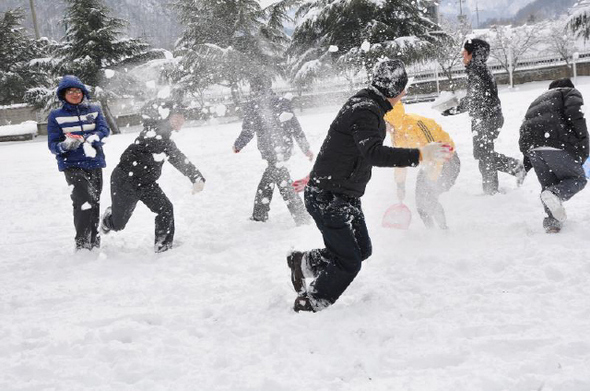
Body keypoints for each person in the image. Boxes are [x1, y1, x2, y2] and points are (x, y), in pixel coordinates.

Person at [287, 59, 452, 312]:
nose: (405, 93)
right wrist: (420, 154)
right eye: (403, 89)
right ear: (395, 90)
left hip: (342, 194)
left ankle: (304, 263)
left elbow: (339, 148)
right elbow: (373, 154)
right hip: (328, 197)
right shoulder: (365, 110)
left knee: (361, 250)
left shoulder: (367, 106)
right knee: (349, 262)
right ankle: (310, 303)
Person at [100, 100, 206, 252]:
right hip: (125, 181)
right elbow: (176, 156)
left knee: (166, 209)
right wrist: (196, 177)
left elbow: (175, 156)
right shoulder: (155, 134)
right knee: (119, 224)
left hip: (146, 183)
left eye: (183, 117)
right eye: (177, 117)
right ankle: (107, 221)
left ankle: (163, 246)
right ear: (165, 117)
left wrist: (196, 177)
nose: (182, 120)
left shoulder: (163, 135)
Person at [442, 38, 524, 195]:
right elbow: (474, 98)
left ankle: (494, 189)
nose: (462, 56)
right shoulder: (478, 70)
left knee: (484, 155)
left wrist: (452, 110)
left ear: (473, 54)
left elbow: (474, 100)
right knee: (482, 154)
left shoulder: (478, 72)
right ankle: (511, 171)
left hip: (487, 119)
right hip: (486, 118)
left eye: (465, 53)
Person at [232, 76, 313, 226]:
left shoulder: (253, 106)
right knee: (269, 179)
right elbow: (295, 127)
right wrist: (305, 148)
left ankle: (300, 217)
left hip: (271, 149)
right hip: (283, 148)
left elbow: (248, 130)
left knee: (283, 182)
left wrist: (238, 145)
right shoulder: (282, 103)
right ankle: (259, 214)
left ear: (254, 89)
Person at [47, 75, 110, 251]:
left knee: (95, 201)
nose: (75, 94)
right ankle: (82, 243)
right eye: (70, 91)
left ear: (83, 93)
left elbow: (104, 129)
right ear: (63, 94)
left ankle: (94, 241)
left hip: (94, 162)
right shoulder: (56, 116)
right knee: (83, 200)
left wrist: (92, 138)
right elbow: (52, 145)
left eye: (78, 91)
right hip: (71, 164)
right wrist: (64, 145)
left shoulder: (94, 109)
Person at [519, 78, 589, 233]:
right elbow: (576, 118)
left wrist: (527, 159)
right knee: (578, 179)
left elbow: (524, 128)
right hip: (555, 144)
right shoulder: (569, 92)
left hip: (533, 149)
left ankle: (553, 223)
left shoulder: (536, 101)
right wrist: (584, 149)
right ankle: (555, 196)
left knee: (548, 187)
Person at [385, 102, 460, 229]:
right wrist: (400, 185)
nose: (382, 128)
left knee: (429, 199)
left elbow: (437, 150)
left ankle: (444, 231)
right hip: (429, 165)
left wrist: (431, 181)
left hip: (447, 161)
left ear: (392, 118)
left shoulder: (416, 124)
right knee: (421, 204)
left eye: (384, 123)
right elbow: (400, 160)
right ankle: (431, 233)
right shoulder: (396, 134)